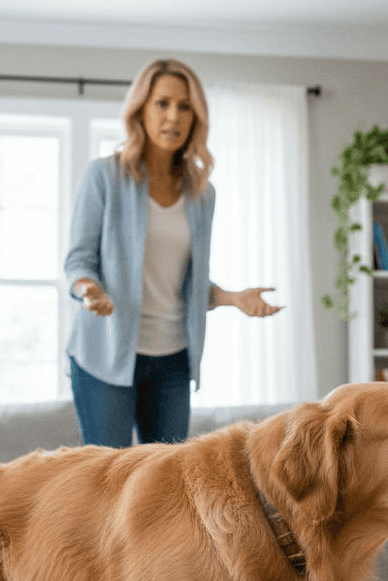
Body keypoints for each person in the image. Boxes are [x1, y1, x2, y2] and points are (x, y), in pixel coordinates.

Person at [64, 57, 281, 447]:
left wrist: (234, 298)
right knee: (107, 480)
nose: (173, 116)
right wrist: (89, 290)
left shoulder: (201, 194)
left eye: (184, 107)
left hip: (173, 360)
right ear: (141, 110)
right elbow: (79, 259)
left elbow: (190, 283)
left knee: (162, 486)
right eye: (162, 103)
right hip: (106, 355)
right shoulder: (105, 177)